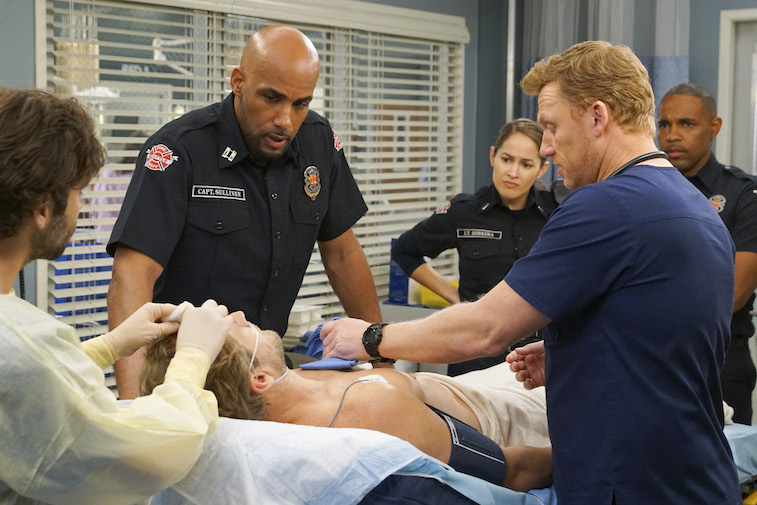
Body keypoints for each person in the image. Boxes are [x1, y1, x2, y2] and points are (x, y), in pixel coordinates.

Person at [320, 41, 742, 504]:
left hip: (634, 486)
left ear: (597, 117)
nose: (546, 148)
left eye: (551, 127)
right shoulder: (696, 208)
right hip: (698, 479)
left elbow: (485, 329)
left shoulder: (605, 205)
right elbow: (669, 342)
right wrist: (577, 351)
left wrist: (371, 337)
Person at [106, 25, 381, 399]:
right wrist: (135, 405)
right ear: (238, 82)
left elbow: (343, 254)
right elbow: (131, 276)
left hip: (265, 372)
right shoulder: (179, 150)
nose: (285, 120)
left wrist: (380, 354)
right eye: (272, 98)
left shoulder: (318, 142)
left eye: (300, 104)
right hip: (182, 376)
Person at [0, 87, 234, 504]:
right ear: (42, 208)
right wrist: (192, 358)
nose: (82, 207)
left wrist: (111, 345)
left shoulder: (20, 344)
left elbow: (21, 391)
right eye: (79, 192)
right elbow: (141, 455)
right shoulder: (23, 345)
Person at [140, 315, 553, 492]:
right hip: (507, 414)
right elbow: (514, 470)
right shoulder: (368, 410)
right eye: (233, 328)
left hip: (464, 388)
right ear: (258, 379)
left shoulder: (283, 391)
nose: (240, 315)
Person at [391, 118, 556, 375]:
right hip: (474, 357)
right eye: (506, 159)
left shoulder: (557, 213)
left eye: (526, 164)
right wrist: (455, 297)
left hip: (537, 360)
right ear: (492, 156)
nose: (513, 172)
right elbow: (404, 250)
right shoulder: (465, 211)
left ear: (541, 169)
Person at [657, 83, 757, 425]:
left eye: (686, 123)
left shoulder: (743, 195)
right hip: (650, 361)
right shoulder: (643, 191)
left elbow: (733, 294)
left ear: (714, 127)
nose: (672, 135)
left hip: (718, 364)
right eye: (664, 124)